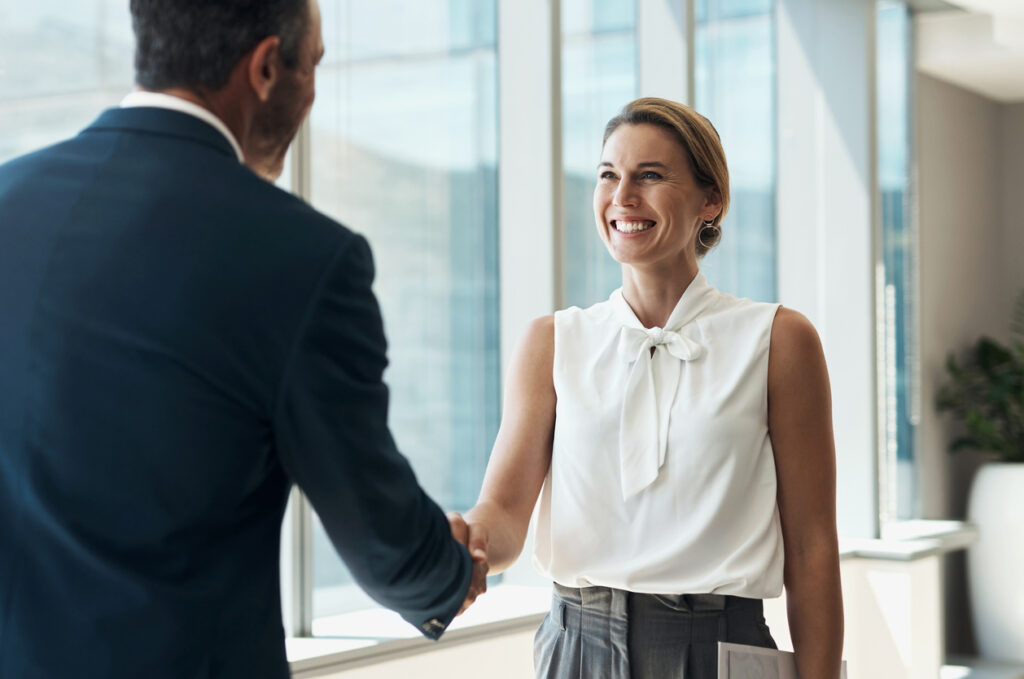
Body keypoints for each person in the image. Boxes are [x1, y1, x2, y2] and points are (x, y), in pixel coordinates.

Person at [0, 1, 486, 677]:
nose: (313, 91)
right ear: (264, 67)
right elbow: (385, 546)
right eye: (312, 64)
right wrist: (449, 571)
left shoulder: (7, 197)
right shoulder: (304, 257)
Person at [449, 97, 844, 678]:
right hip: (575, 648)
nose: (623, 197)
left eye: (650, 176)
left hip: (723, 649)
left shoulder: (778, 341)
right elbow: (505, 515)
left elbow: (812, 551)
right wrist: (469, 546)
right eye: (608, 175)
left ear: (712, 200)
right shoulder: (552, 342)